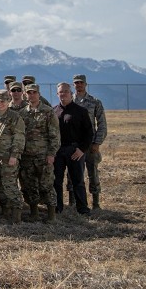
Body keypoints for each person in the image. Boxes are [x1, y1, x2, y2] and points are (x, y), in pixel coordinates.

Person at [19, 84, 60, 222]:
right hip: (27, 156)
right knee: (30, 185)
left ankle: (51, 215)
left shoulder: (48, 112)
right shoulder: (23, 113)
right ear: (25, 94)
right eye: (29, 92)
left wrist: (51, 154)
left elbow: (54, 135)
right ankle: (34, 213)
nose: (31, 95)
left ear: (39, 93)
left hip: (43, 156)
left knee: (46, 185)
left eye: (34, 92)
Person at [54, 82, 94, 216]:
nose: (63, 94)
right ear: (57, 94)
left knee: (77, 181)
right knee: (56, 181)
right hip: (58, 151)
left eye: (66, 91)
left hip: (74, 151)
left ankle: (82, 209)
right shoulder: (54, 112)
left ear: (71, 93)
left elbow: (89, 133)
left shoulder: (80, 111)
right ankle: (57, 208)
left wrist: (82, 150)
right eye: (61, 92)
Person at [0, 90, 26, 224]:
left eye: (2, 101)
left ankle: (17, 216)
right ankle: (7, 212)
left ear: (7, 101)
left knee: (10, 186)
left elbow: (19, 137)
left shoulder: (14, 117)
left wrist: (14, 155)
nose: (0, 104)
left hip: (9, 158)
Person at [73, 74, 107, 209]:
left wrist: (97, 143)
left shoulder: (94, 102)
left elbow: (102, 124)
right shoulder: (70, 102)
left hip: (91, 145)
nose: (79, 85)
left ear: (85, 84)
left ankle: (96, 203)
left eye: (81, 82)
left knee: (93, 174)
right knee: (74, 175)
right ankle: (73, 202)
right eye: (76, 83)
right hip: (75, 145)